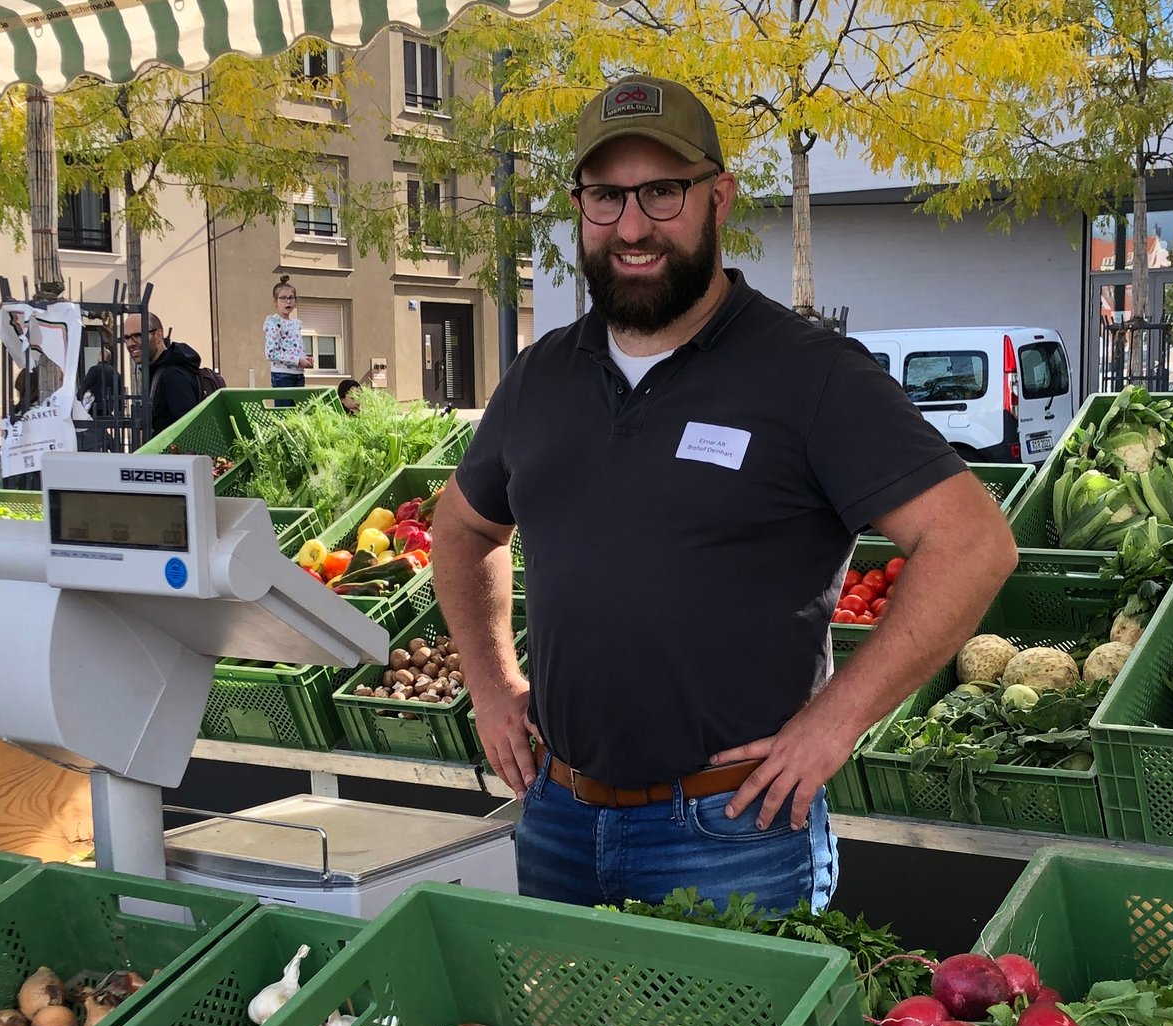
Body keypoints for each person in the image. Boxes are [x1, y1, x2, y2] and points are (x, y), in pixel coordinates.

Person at [434, 75, 1018, 914]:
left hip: (736, 831)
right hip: (557, 818)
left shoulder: (808, 375)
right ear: (580, 206)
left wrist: (836, 721)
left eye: (662, 192)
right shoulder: (540, 376)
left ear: (718, 197)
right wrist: (491, 687)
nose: (632, 226)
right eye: (607, 197)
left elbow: (972, 543)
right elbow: (461, 531)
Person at [122, 311, 205, 435]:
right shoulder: (159, 371)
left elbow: (190, 428)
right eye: (127, 338)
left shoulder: (172, 374)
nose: (130, 343)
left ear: (158, 335)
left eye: (138, 336)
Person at [264, 276, 315, 393]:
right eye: (283, 298)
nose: (288, 301)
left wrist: (305, 359)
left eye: (291, 298)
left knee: (298, 411)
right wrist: (297, 360)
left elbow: (296, 348)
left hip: (299, 375)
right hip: (282, 376)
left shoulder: (296, 324)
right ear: (275, 302)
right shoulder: (274, 323)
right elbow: (270, 353)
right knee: (285, 411)